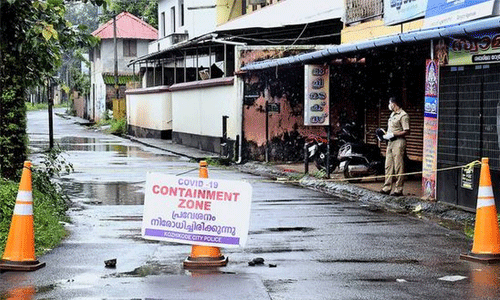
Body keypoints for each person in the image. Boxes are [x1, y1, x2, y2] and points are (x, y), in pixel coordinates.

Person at [380, 97, 410, 196]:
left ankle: (398, 189)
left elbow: (407, 131)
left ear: (394, 104)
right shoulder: (392, 114)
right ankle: (387, 187)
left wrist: (394, 134)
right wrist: (384, 136)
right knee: (388, 166)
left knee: (398, 166)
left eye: (390, 103)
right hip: (390, 142)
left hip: (398, 142)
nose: (389, 105)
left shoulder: (403, 115)